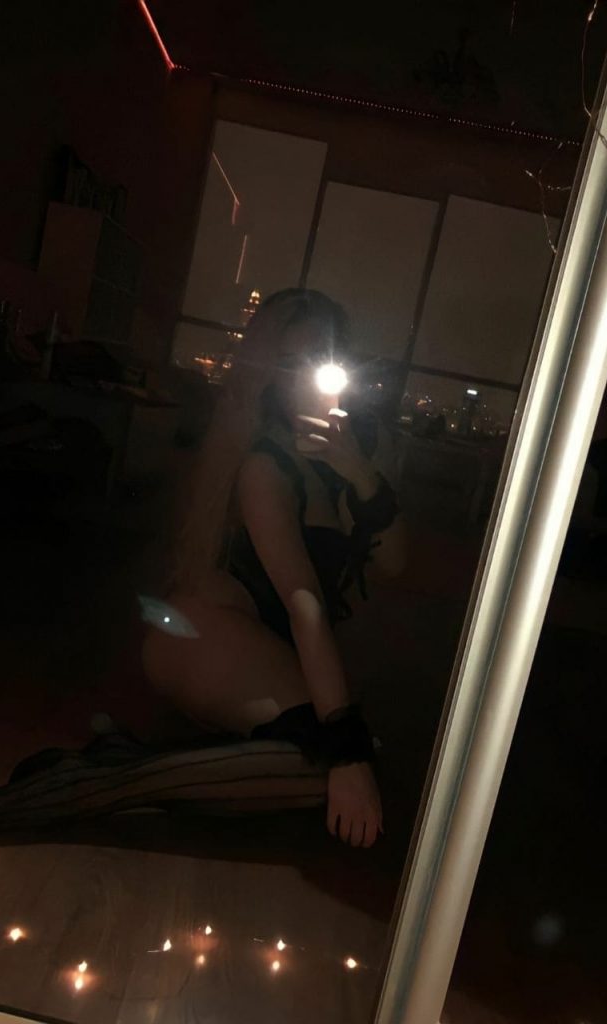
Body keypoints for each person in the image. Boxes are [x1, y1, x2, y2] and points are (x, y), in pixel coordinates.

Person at [142, 289, 405, 848]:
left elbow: (396, 562)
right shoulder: (266, 463)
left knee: (333, 762)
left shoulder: (358, 447)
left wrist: (358, 471)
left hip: (275, 649)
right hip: (208, 634)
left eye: (318, 359)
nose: (303, 378)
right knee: (333, 764)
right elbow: (303, 602)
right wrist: (349, 750)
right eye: (288, 363)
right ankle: (102, 783)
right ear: (269, 375)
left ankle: (226, 750)